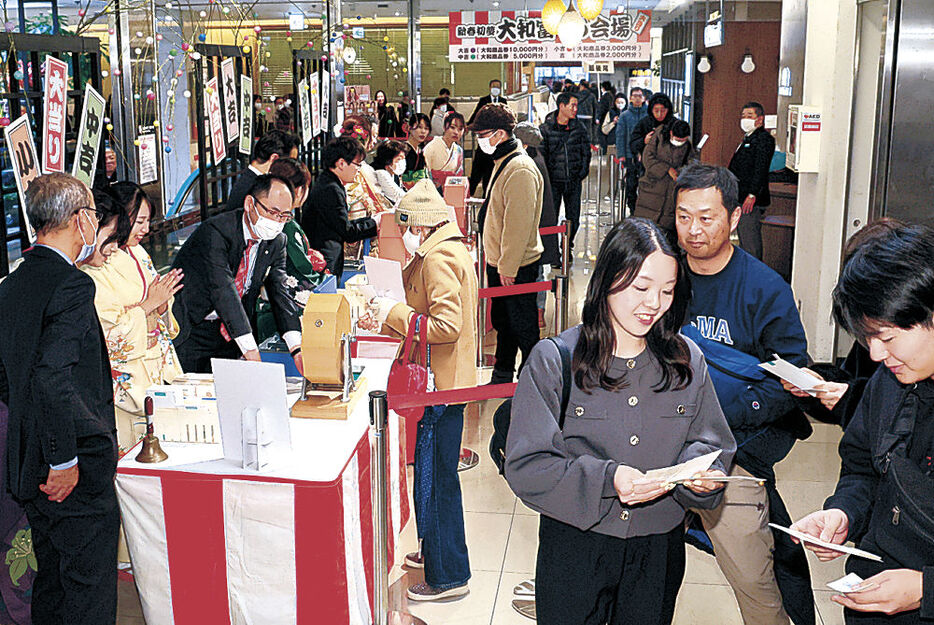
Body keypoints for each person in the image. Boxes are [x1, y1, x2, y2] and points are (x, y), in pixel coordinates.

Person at [505, 217, 735, 625]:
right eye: (641, 288)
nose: (653, 304)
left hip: (658, 547)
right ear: (608, 278)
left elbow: (710, 442)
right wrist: (607, 478)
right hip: (575, 544)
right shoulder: (556, 359)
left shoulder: (687, 361)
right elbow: (528, 466)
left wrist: (706, 475)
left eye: (666, 291)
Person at [674, 163, 815, 625]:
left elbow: (792, 379)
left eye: (706, 217)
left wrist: (729, 414)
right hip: (657, 442)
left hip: (732, 453)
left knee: (756, 579)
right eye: (683, 216)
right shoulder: (662, 277)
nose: (693, 230)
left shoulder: (764, 288)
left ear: (734, 217)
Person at [791, 224, 934, 625]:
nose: (874, 353)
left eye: (886, 337)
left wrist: (925, 589)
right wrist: (843, 514)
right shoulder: (889, 383)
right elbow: (863, 468)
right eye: (867, 338)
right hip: (873, 600)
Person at [0, 172, 120, 624]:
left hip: (29, 462)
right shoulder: (72, 285)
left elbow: (10, 379)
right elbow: (53, 378)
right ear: (79, 219)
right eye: (92, 214)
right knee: (88, 590)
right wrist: (64, 458)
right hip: (71, 467)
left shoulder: (12, 283)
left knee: (51, 584)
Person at [358, 180, 478, 602]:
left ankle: (448, 575)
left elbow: (447, 326)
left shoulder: (439, 257)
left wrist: (395, 311)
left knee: (439, 478)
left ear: (420, 227)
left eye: (406, 227)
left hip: (441, 388)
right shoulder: (443, 248)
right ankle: (433, 550)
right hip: (444, 384)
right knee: (429, 471)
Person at [82, 183, 184, 453]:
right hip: (130, 374)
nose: (145, 229)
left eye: (148, 221)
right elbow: (108, 331)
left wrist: (162, 305)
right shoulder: (95, 262)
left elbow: (159, 299)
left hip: (157, 364)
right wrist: (150, 303)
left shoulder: (138, 252)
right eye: (139, 221)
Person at [171, 174, 304, 374]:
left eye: (285, 216)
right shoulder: (216, 231)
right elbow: (223, 289)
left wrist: (296, 348)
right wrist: (251, 351)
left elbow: (279, 292)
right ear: (250, 203)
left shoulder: (277, 241)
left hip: (231, 334)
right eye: (272, 212)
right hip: (194, 327)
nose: (277, 222)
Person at [780, 219, 903, 429]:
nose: (876, 352)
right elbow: (853, 381)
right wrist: (819, 384)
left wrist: (850, 400)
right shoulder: (873, 333)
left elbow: (899, 416)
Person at [469, 104, 543, 384]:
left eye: (483, 135)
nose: (480, 141)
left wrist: (508, 266)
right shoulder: (504, 161)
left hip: (516, 265)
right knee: (504, 322)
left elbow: (518, 225)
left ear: (500, 134)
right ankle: (502, 373)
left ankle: (535, 379)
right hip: (501, 262)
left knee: (523, 325)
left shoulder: (519, 168)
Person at [254, 158, 327, 342]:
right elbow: (302, 269)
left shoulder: (267, 218)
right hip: (283, 307)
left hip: (266, 302)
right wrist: (323, 275)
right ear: (299, 190)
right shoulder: (287, 225)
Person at [302, 137, 378, 282]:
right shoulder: (331, 189)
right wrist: (375, 223)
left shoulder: (330, 182)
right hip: (324, 260)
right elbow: (347, 231)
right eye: (357, 164)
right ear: (341, 163)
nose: (358, 169)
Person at [515, 121, 558, 329]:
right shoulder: (536, 157)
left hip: (535, 226)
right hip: (541, 224)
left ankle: (537, 311)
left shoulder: (528, 164)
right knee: (539, 268)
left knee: (537, 270)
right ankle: (538, 311)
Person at [540, 90, 591, 250]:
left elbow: (586, 152)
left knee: (573, 217)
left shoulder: (579, 128)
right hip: (553, 182)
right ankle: (553, 251)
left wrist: (582, 172)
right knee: (551, 217)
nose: (575, 109)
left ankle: (568, 245)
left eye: (576, 106)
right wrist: (547, 178)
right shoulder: (546, 129)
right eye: (573, 105)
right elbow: (542, 156)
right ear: (562, 106)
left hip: (573, 180)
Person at [634, 119, 696, 246]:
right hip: (651, 190)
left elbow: (691, 163)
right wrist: (667, 169)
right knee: (645, 235)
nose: (679, 143)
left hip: (671, 193)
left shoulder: (687, 145)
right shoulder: (658, 136)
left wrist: (681, 172)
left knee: (666, 238)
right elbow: (648, 158)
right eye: (677, 139)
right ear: (671, 133)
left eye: (682, 140)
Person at [728, 101, 777, 260]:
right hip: (739, 195)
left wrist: (752, 194)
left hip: (750, 199)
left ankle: (755, 276)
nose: (745, 119)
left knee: (750, 241)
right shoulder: (747, 138)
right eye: (743, 116)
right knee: (743, 238)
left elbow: (760, 169)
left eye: (750, 116)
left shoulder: (764, 139)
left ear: (760, 120)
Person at [340, 115, 388, 259]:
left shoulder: (362, 169)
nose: (374, 142)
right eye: (372, 137)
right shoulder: (359, 170)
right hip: (354, 231)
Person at [226, 130, 299, 213]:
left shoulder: (250, 179)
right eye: (289, 162)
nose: (292, 168)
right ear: (274, 158)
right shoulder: (254, 187)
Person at [467, 79, 504, 196]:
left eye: (498, 87)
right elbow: (475, 116)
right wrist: (468, 126)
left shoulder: (503, 101)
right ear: (489, 88)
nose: (495, 89)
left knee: (490, 171)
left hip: (497, 143)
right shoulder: (484, 101)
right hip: (484, 141)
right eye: (494, 87)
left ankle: (487, 195)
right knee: (477, 169)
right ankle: (470, 193)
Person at [616, 87, 648, 213]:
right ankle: (633, 208)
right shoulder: (625, 116)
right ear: (630, 98)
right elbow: (620, 136)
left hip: (647, 155)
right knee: (631, 183)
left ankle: (643, 209)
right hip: (630, 155)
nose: (637, 98)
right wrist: (621, 155)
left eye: (640, 96)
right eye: (634, 96)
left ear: (644, 98)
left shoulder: (648, 115)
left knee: (645, 184)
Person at [424, 111, 466, 190]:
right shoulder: (431, 147)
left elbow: (458, 175)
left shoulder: (459, 150)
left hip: (452, 190)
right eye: (452, 127)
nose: (456, 132)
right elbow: (425, 173)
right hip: (432, 191)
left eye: (460, 129)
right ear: (444, 127)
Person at [629, 92, 674, 163]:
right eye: (656, 111)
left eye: (663, 111)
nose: (659, 114)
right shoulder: (644, 123)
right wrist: (644, 141)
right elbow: (633, 145)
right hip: (647, 166)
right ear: (651, 110)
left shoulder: (674, 123)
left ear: (668, 110)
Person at [372, 140, 410, 207]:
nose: (402, 162)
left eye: (404, 159)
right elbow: (397, 195)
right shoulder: (381, 173)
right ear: (388, 160)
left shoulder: (394, 175)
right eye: (399, 159)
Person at [402, 113, 431, 189]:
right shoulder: (402, 150)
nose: (423, 131)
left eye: (426, 128)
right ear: (409, 128)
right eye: (419, 127)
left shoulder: (420, 151)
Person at [596, 81, 616, 153]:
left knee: (602, 132)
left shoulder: (605, 96)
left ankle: (604, 149)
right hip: (609, 116)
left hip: (604, 117)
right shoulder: (612, 95)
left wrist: (598, 117)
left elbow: (602, 108)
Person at [575, 79, 597, 144]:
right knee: (588, 133)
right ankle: (588, 147)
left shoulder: (577, 95)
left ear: (582, 86)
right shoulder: (592, 95)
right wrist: (595, 118)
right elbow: (595, 107)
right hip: (589, 117)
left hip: (579, 116)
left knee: (578, 133)